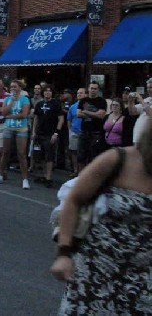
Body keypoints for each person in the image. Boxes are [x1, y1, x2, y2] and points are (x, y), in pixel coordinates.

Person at [50, 119, 152, 314]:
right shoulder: (118, 159)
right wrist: (64, 253)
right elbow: (74, 200)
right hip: (95, 271)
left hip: (142, 280)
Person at [0, 80, 31, 189]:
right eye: (11, 87)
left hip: (21, 128)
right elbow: (3, 112)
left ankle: (25, 179)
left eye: (15, 87)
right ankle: (0, 174)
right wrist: (11, 103)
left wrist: (10, 116)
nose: (13, 88)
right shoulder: (7, 99)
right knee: (5, 152)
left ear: (20, 88)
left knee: (21, 153)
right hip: (8, 127)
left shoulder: (25, 99)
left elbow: (24, 114)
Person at [31, 85, 64, 188]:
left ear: (52, 93)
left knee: (49, 156)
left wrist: (56, 133)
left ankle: (49, 178)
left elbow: (61, 119)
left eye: (49, 91)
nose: (47, 93)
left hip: (50, 134)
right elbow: (36, 118)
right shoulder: (39, 104)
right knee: (39, 156)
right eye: (45, 91)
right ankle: (44, 175)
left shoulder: (56, 104)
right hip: (39, 134)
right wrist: (33, 132)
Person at [77, 81, 107, 169]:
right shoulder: (83, 100)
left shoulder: (102, 101)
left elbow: (101, 115)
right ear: (88, 89)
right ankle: (81, 177)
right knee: (81, 156)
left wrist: (86, 112)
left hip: (96, 133)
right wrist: (95, 114)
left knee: (93, 156)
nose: (93, 90)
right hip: (84, 131)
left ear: (98, 90)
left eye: (95, 88)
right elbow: (78, 114)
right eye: (91, 88)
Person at [67, 88, 85, 177]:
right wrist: (70, 130)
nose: (79, 94)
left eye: (81, 93)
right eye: (78, 93)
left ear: (85, 94)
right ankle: (75, 170)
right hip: (74, 131)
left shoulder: (88, 106)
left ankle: (83, 172)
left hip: (84, 132)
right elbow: (69, 120)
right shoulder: (73, 106)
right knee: (73, 152)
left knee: (83, 153)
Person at [130, 77, 152, 145]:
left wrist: (140, 100)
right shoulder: (147, 100)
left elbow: (150, 113)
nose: (148, 90)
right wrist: (131, 101)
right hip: (137, 138)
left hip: (148, 141)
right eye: (148, 87)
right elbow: (133, 112)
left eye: (151, 87)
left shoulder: (143, 101)